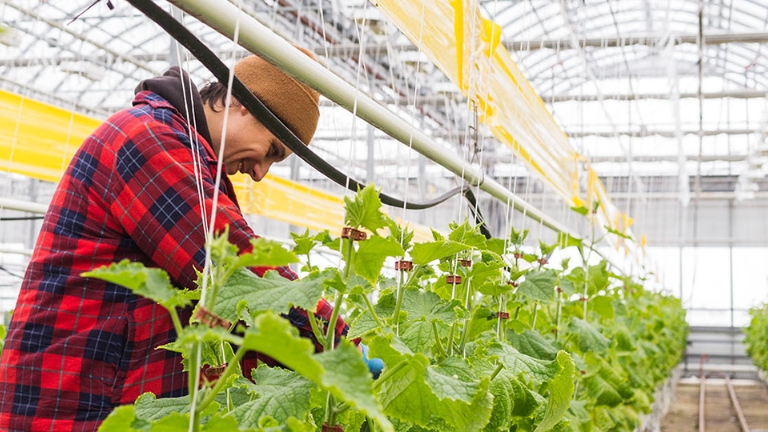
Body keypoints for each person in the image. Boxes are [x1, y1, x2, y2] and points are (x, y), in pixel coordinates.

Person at [0, 48, 352, 431]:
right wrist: (341, 343)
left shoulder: (188, 157)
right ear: (244, 104)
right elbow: (236, 271)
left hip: (101, 399)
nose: (260, 173)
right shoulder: (148, 139)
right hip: (70, 406)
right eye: (270, 151)